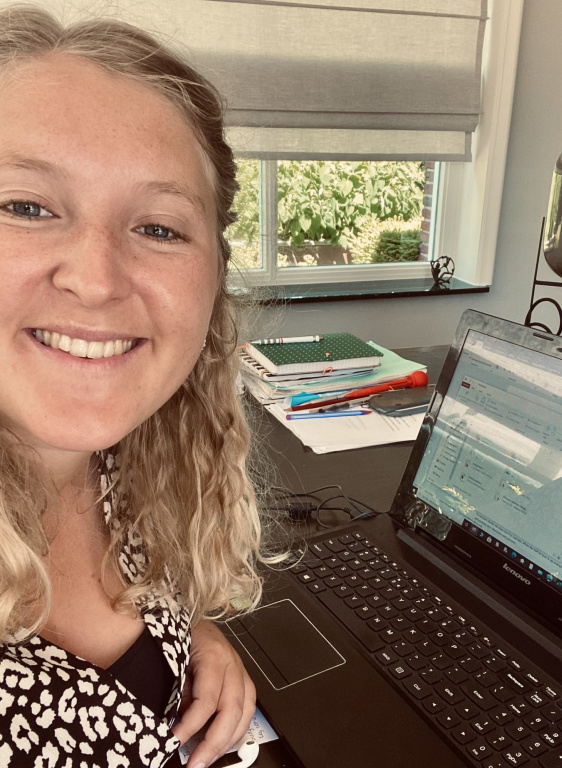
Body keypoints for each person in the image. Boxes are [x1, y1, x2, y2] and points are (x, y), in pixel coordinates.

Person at [0, 3, 267, 766]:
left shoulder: (131, 461)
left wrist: (183, 646)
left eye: (158, 228)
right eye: (24, 206)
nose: (95, 278)